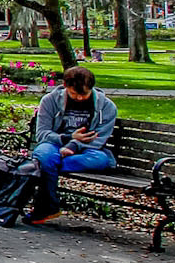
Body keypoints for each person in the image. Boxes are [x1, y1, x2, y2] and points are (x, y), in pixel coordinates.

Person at [25, 65, 117, 225]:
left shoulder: (107, 107)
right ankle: (48, 206)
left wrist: (73, 147)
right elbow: (42, 134)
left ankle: (45, 206)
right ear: (65, 87)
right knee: (46, 155)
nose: (80, 98)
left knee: (99, 160)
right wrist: (68, 138)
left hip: (88, 150)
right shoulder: (50, 101)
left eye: (85, 94)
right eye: (74, 94)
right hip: (53, 145)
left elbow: (98, 139)